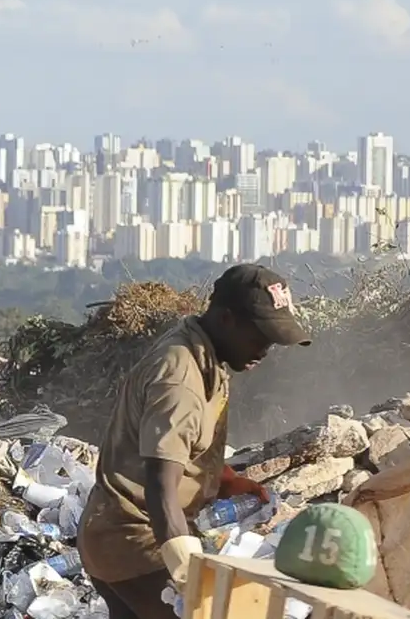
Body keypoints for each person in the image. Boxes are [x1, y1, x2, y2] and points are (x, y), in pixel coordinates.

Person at [77, 264, 311, 619]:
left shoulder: (201, 352)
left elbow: (176, 447)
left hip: (110, 537)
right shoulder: (181, 377)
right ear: (226, 318)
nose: (265, 350)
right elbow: (159, 486)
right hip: (136, 544)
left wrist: (223, 479)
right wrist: (187, 573)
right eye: (260, 336)